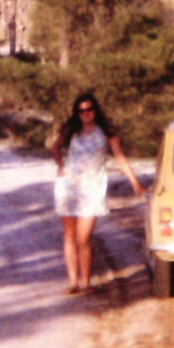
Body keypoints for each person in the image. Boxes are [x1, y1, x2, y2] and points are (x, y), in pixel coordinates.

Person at [51, 92, 144, 293]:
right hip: (68, 187)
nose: (86, 113)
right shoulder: (71, 130)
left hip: (92, 189)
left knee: (83, 238)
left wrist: (135, 182)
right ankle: (74, 283)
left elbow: (119, 158)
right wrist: (60, 166)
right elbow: (55, 147)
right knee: (69, 236)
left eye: (89, 109)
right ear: (77, 113)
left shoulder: (107, 132)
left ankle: (86, 283)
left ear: (96, 110)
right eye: (81, 110)